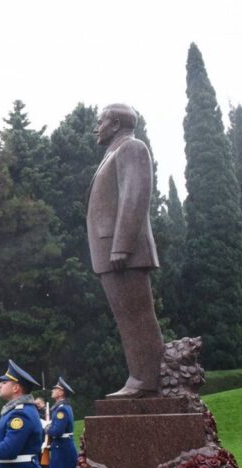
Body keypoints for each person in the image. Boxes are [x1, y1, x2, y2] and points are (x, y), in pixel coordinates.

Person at [86, 103, 164, 399]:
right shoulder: (113, 153)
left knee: (137, 315)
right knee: (126, 317)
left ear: (116, 123)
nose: (97, 127)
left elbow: (135, 195)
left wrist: (122, 245)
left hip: (123, 252)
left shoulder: (132, 148)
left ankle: (147, 380)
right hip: (111, 252)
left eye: (101, 121)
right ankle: (141, 377)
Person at [46, 377, 79, 468]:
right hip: (62, 448)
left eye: (55, 389)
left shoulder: (62, 409)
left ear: (61, 392)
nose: (53, 391)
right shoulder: (62, 408)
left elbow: (57, 431)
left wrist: (46, 427)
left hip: (63, 449)